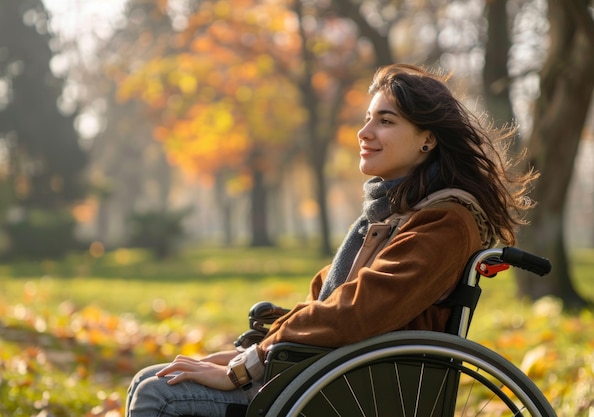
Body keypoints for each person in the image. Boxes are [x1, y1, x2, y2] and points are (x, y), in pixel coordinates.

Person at [125, 63, 537, 416]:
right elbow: (327, 302)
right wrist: (251, 352)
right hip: (328, 371)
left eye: (385, 121)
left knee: (158, 394)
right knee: (152, 376)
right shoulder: (391, 216)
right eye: (367, 118)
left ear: (427, 139)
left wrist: (247, 365)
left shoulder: (444, 222)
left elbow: (356, 312)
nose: (364, 132)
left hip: (356, 389)